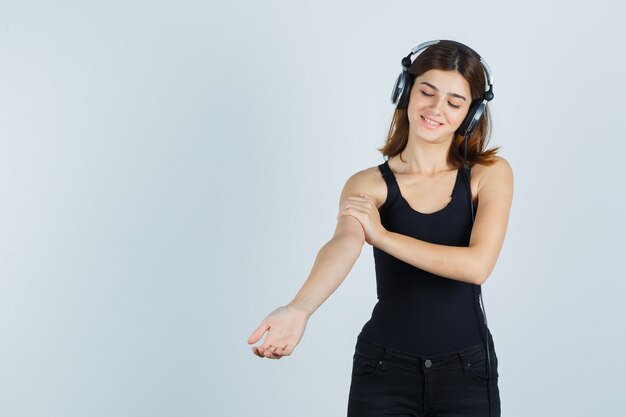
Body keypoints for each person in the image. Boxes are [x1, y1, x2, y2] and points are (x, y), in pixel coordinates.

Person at [247, 40, 513, 417]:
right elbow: (342, 244)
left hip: (467, 372)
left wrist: (384, 236)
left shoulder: (489, 175)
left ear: (472, 114)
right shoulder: (367, 185)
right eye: (427, 91)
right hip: (385, 369)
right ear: (405, 90)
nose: (436, 109)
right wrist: (299, 308)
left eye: (454, 102)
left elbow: (477, 265)